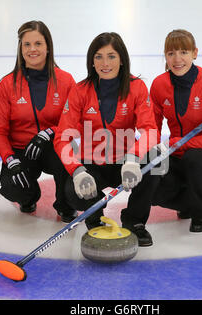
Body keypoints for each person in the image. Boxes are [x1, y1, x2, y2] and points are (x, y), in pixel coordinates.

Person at [54, 32, 160, 246]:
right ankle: (95, 220)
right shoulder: (80, 90)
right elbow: (62, 138)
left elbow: (150, 130)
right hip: (93, 163)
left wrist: (133, 159)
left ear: (122, 59)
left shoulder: (137, 87)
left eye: (111, 56)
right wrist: (77, 171)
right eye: (98, 57)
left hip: (125, 162)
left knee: (156, 158)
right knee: (72, 193)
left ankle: (135, 222)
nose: (105, 63)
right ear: (91, 62)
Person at [0, 21, 77, 222]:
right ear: (20, 49)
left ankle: (65, 204)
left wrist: (50, 133)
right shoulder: (6, 85)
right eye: (27, 45)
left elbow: (74, 122)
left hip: (54, 145)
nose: (32, 49)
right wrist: (10, 160)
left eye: (38, 43)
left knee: (66, 158)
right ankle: (28, 197)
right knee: (14, 186)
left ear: (48, 47)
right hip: (21, 150)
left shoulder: (65, 81)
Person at [150, 29, 202, 232]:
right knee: (150, 178)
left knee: (194, 158)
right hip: (177, 154)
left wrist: (177, 143)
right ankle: (187, 202)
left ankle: (200, 213)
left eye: (184, 52)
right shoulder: (159, 84)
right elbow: (151, 128)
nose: (177, 59)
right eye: (171, 53)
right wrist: (149, 152)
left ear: (195, 53)